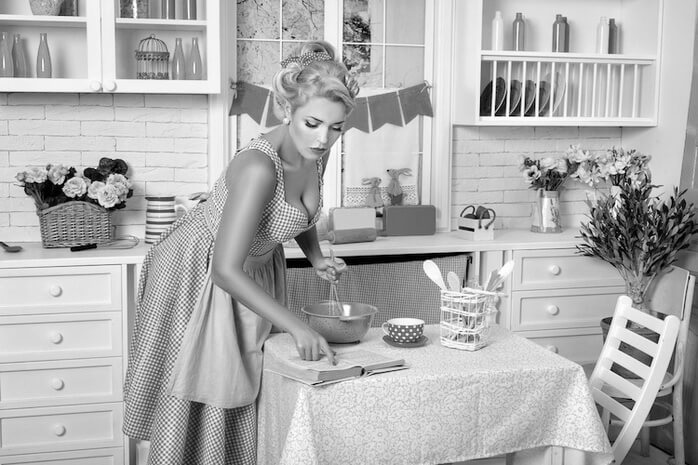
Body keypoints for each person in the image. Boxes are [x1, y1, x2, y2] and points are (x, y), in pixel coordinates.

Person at [123, 40, 358, 464]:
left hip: (255, 265)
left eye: (336, 128)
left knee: (245, 383)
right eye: (313, 123)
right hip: (201, 269)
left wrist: (317, 257)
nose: (324, 138)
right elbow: (225, 270)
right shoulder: (258, 167)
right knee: (208, 385)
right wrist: (297, 326)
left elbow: (297, 211)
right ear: (286, 110)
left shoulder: (314, 153)